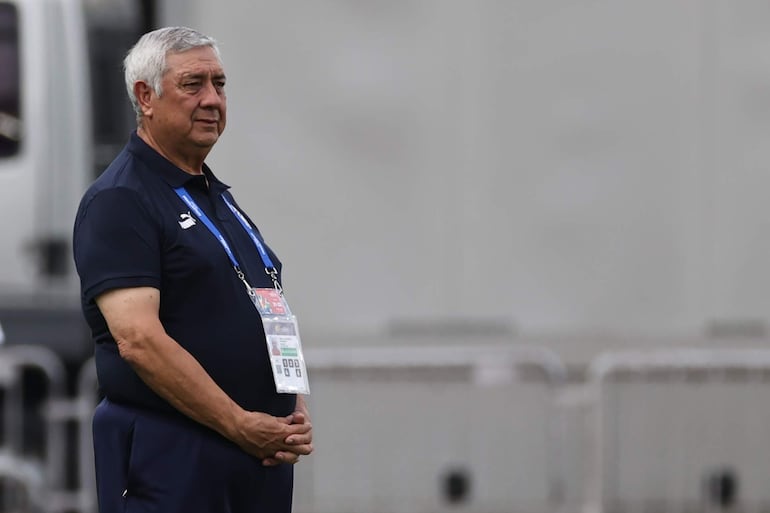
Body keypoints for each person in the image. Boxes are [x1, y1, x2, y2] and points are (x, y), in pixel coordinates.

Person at [73, 27, 313, 513]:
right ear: (146, 97)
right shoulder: (123, 198)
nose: (212, 99)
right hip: (174, 454)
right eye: (193, 84)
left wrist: (292, 407)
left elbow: (268, 306)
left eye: (219, 84)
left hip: (257, 454)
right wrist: (238, 422)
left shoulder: (218, 199)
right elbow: (138, 340)